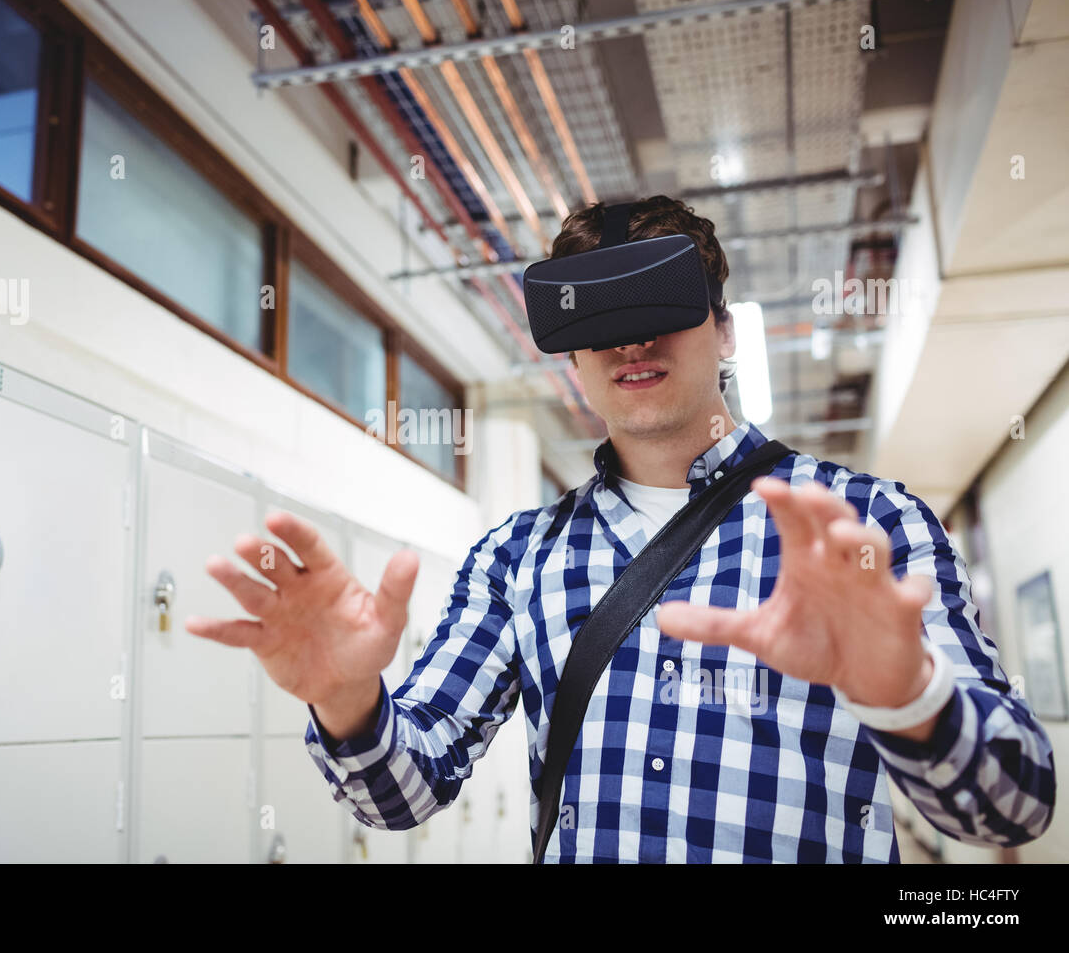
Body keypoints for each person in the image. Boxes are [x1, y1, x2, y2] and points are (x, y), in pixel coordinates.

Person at [185, 196, 1056, 863]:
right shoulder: (517, 558)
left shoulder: (869, 523)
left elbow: (1013, 806)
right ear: (572, 361)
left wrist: (908, 696)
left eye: (659, 308)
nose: (630, 342)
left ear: (725, 331)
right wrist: (346, 702)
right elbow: (402, 794)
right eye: (598, 323)